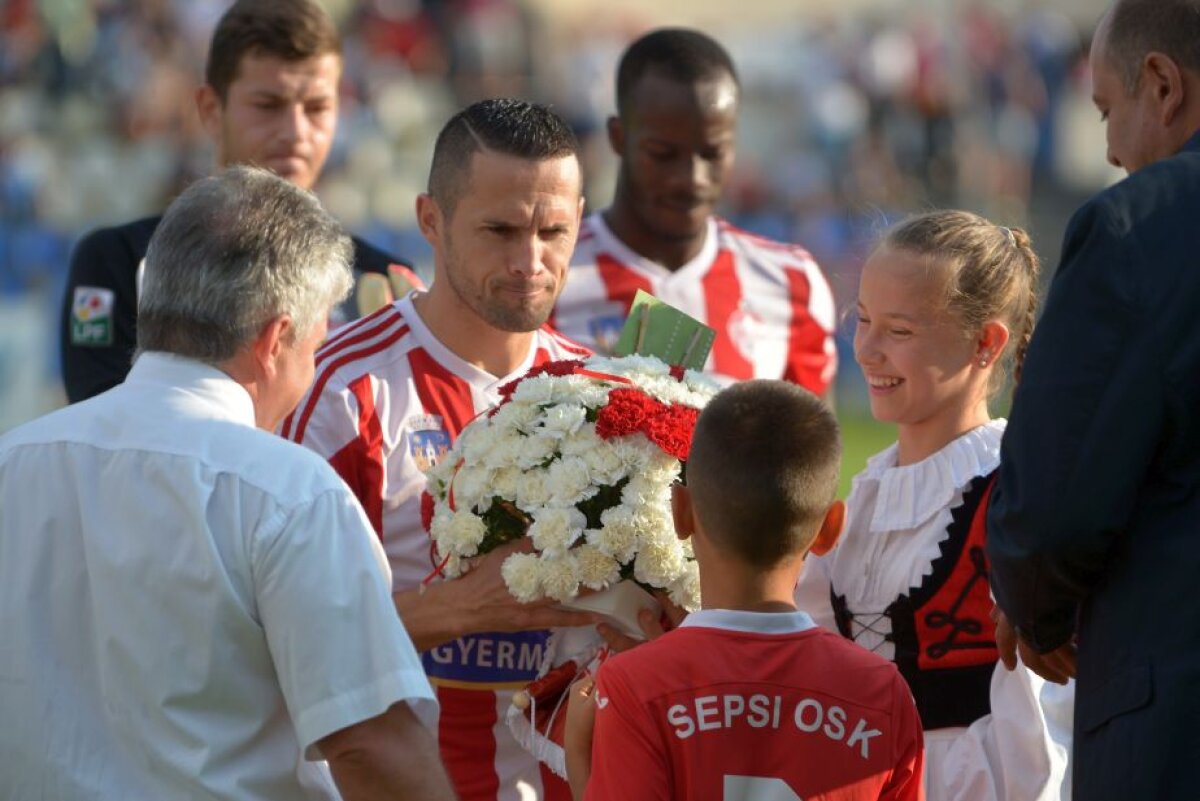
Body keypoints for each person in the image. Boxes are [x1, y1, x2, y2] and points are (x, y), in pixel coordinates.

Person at [0, 166, 454, 801]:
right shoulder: (290, 495)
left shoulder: (14, 461)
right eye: (319, 337)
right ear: (276, 340)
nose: (315, 361)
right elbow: (372, 744)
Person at [283, 97, 599, 801]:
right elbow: (282, 651)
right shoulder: (345, 390)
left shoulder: (599, 397)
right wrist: (458, 608)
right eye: (500, 229)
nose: (531, 261)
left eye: (554, 230)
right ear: (430, 220)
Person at [986, 2, 1200, 798]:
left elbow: (1058, 499)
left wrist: (1032, 605)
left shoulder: (1140, 227)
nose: (1110, 148)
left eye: (1110, 111)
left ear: (1162, 84)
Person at [795, 210, 1073, 801]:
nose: (867, 350)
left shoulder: (1014, 497)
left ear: (985, 342)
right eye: (863, 320)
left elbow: (1046, 719)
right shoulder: (867, 495)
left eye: (899, 332)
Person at [563, 380, 925, 801]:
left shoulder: (633, 686)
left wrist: (579, 760)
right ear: (830, 529)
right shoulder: (882, 692)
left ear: (680, 512)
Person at [60, 0, 422, 404]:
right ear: (211, 110)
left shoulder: (382, 279)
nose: (296, 132)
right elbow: (104, 423)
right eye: (268, 106)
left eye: (317, 107)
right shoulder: (117, 262)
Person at [551, 28, 837, 392]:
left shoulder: (790, 281)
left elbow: (814, 445)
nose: (691, 178)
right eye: (663, 154)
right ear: (618, 138)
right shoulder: (546, 275)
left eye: (712, 153)